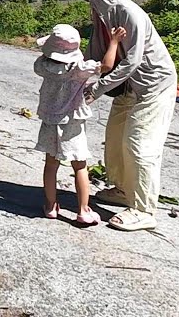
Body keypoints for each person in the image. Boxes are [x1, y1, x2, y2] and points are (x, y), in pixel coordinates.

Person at [80, 0, 179, 232]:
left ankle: (144, 208)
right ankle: (124, 189)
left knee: (139, 143)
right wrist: (72, 71)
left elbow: (132, 60)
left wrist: (97, 89)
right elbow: (96, 51)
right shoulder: (99, 11)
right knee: (114, 140)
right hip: (127, 88)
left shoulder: (126, 10)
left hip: (152, 85)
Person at [34, 23, 126, 225]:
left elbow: (43, 58)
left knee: (51, 165)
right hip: (72, 123)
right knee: (80, 166)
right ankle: (83, 210)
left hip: (50, 121)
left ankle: (50, 207)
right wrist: (114, 42)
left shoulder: (43, 66)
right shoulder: (78, 69)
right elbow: (106, 67)